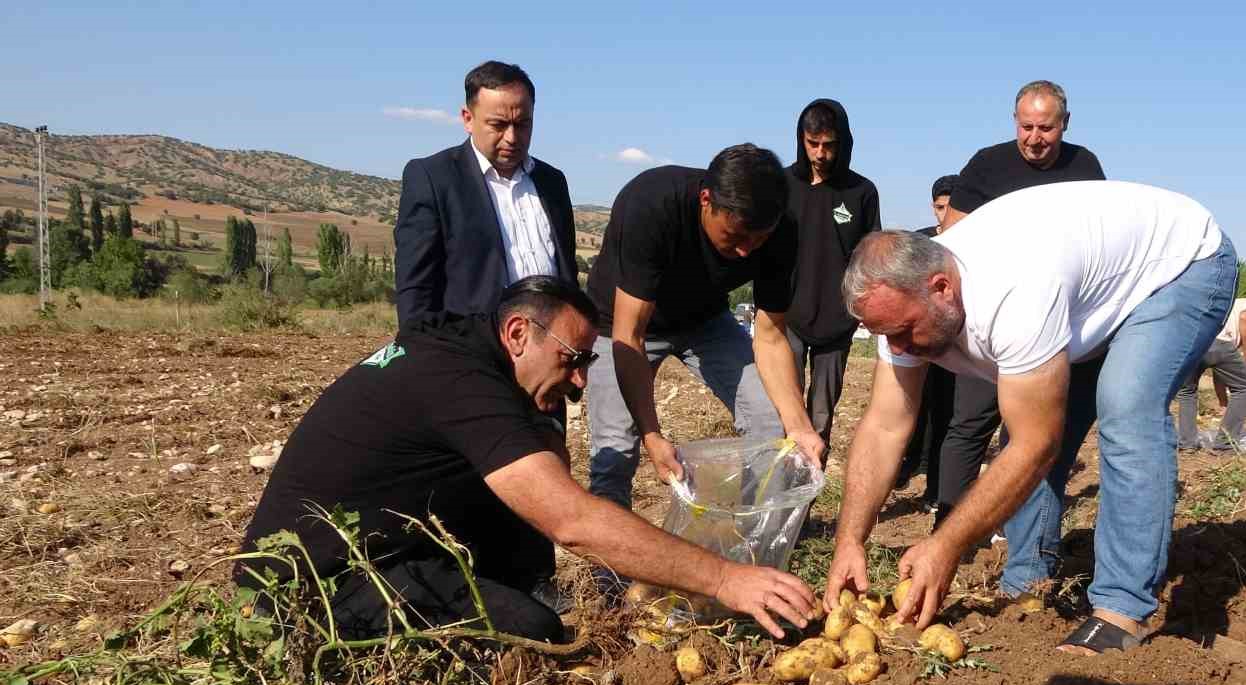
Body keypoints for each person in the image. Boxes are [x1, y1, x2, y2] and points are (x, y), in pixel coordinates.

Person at [237, 277, 815, 640]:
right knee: (535, 631)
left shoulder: (465, 350)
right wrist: (723, 577)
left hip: (366, 549)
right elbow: (573, 522)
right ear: (518, 333)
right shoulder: (461, 382)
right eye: (573, 358)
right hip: (306, 587)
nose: (582, 381)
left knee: (518, 556)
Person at [823, 182, 1237, 656]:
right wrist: (849, 540)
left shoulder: (1013, 290)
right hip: (1091, 295)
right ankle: (1027, 581)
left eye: (902, 332)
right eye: (884, 335)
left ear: (941, 288)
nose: (897, 348)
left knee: (1125, 405)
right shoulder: (901, 305)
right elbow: (884, 425)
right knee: (1025, 422)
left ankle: (1122, 609)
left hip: (1181, 266)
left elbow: (1036, 444)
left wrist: (945, 545)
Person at [585, 144, 822, 511]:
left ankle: (752, 535)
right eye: (735, 237)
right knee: (615, 448)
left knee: (769, 417)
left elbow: (772, 337)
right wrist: (652, 435)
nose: (746, 252)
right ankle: (608, 564)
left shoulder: (780, 228)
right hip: (619, 325)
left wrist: (799, 425)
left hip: (705, 320)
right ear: (705, 199)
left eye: (757, 241)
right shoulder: (652, 202)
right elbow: (629, 334)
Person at [934, 80, 1105, 527]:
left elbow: (1098, 241)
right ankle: (948, 520)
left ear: (1064, 124)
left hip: (1053, 323)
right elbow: (952, 237)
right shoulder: (987, 165)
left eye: (1045, 128)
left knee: (1030, 431)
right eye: (1026, 127)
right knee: (970, 424)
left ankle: (1013, 532)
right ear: (1015, 122)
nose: (1034, 138)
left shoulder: (1084, 167)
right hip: (989, 319)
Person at [394, 61, 578, 323]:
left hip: (549, 350)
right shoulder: (433, 178)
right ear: (468, 119)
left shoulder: (552, 182)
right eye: (499, 125)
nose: (512, 137)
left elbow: (566, 272)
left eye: (523, 124)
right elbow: (416, 292)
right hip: (471, 352)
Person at [782, 99, 882, 452]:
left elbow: (870, 257)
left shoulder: (861, 192)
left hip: (836, 324)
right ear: (801, 139)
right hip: (787, 316)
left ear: (843, 143)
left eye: (829, 145)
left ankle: (805, 502)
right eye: (813, 144)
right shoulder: (782, 185)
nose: (821, 154)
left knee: (820, 418)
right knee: (784, 413)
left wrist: (860, 309)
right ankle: (778, 502)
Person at [898, 175, 962, 511]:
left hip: (951, 350)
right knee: (911, 410)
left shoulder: (967, 245)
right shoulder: (921, 243)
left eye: (950, 207)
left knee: (946, 418)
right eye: (939, 207)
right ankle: (904, 468)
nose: (944, 214)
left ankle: (936, 490)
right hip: (918, 348)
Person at [1176, 297, 1246, 450]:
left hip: (1190, 340)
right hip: (1217, 341)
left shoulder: (1236, 307)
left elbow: (1219, 368)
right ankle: (1224, 444)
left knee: (1187, 391)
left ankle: (1187, 444)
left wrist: (1223, 402)